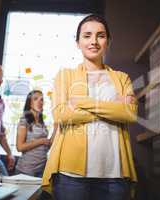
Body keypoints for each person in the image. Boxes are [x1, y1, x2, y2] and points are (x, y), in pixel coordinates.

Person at [42, 14, 138, 200]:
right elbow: (61, 115)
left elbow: (131, 114)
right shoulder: (65, 75)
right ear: (77, 42)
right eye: (87, 36)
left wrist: (79, 102)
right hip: (71, 176)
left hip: (115, 175)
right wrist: (114, 109)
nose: (93, 41)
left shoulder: (121, 78)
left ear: (108, 41)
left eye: (100, 35)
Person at [15, 90, 57, 177]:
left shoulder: (41, 122)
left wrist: (56, 129)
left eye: (41, 99)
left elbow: (47, 145)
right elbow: (20, 147)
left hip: (42, 169)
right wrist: (40, 141)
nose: (39, 102)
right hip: (26, 170)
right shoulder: (24, 121)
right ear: (29, 103)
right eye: (35, 99)